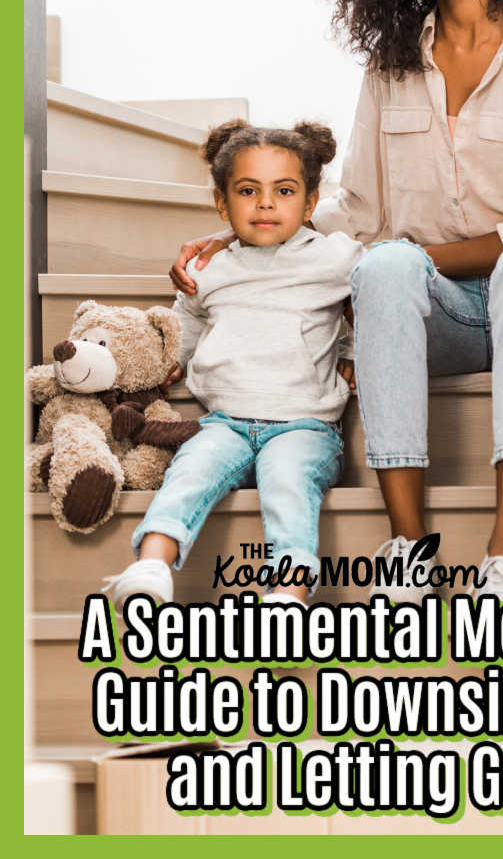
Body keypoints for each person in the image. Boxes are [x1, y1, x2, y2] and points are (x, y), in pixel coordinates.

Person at [170, 0, 503, 608]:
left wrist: (412, 253)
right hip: (440, 311)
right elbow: (363, 211)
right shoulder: (392, 64)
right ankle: (409, 550)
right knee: (382, 271)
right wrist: (256, 240)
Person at [103, 119, 363, 611]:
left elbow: (377, 299)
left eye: (284, 191)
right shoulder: (210, 267)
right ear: (223, 204)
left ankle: (286, 597)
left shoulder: (334, 258)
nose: (266, 203)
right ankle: (152, 566)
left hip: (304, 426)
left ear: (310, 203)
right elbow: (188, 324)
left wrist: (351, 352)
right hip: (224, 423)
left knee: (287, 488)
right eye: (248, 191)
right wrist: (170, 364)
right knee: (188, 473)